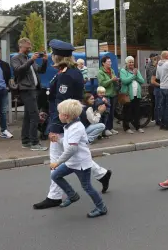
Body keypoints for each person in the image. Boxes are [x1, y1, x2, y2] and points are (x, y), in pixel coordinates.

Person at [33, 40, 112, 210]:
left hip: (64, 121)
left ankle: (54, 196)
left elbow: (63, 104)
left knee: (57, 158)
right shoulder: (68, 72)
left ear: (57, 56)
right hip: (66, 121)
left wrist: (54, 127)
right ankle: (102, 174)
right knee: (78, 157)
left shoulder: (66, 75)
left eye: (53, 54)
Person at [49, 99, 108, 218]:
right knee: (55, 175)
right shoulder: (70, 125)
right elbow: (69, 142)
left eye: (59, 113)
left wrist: (57, 162)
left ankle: (101, 207)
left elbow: (72, 149)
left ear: (66, 116)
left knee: (87, 187)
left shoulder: (76, 127)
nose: (58, 115)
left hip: (81, 164)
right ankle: (72, 195)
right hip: (72, 162)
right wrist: (58, 140)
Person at [11, 38, 48, 150]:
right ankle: (34, 143)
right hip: (26, 90)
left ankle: (26, 141)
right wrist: (31, 60)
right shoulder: (16, 58)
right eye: (28, 47)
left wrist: (45, 61)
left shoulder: (28, 58)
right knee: (34, 116)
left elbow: (41, 70)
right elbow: (18, 70)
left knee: (28, 116)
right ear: (21, 46)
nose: (30, 48)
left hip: (34, 89)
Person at [120, 56, 145, 134]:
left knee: (137, 111)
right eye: (129, 62)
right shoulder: (123, 70)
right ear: (126, 63)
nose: (131, 63)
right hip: (128, 95)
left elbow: (142, 81)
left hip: (137, 94)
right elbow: (124, 81)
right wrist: (134, 76)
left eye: (132, 62)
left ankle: (137, 126)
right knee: (127, 111)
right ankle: (126, 127)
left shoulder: (136, 70)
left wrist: (135, 75)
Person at [97, 56, 119, 134]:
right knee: (105, 113)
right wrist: (111, 80)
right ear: (103, 63)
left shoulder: (112, 70)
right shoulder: (100, 72)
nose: (110, 63)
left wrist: (116, 80)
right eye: (108, 62)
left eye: (110, 61)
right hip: (105, 95)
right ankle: (105, 129)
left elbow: (113, 80)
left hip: (113, 94)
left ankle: (111, 128)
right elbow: (102, 83)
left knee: (112, 113)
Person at [145, 53, 158, 121]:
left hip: (157, 85)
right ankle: (153, 117)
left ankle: (157, 116)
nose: (156, 59)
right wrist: (155, 66)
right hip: (152, 86)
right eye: (154, 58)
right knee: (153, 102)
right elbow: (150, 75)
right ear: (151, 58)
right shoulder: (149, 66)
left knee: (157, 102)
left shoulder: (158, 64)